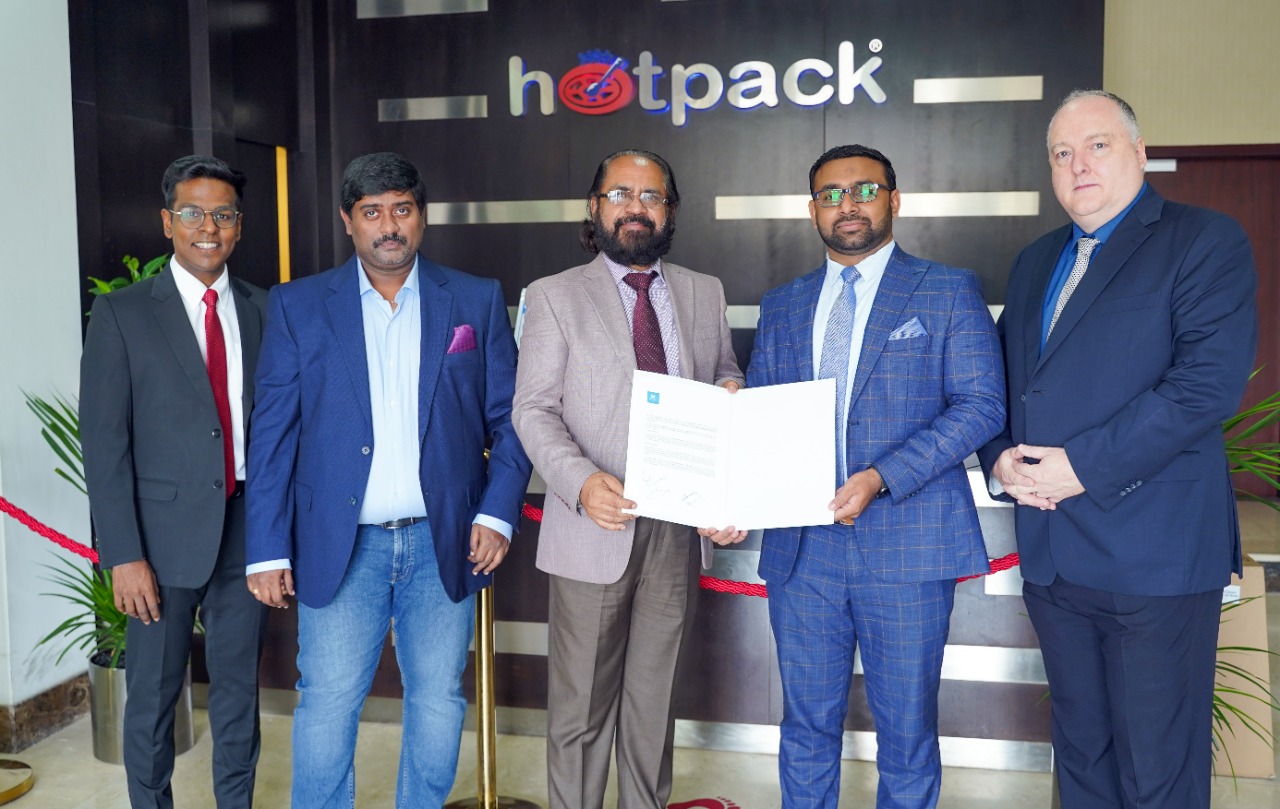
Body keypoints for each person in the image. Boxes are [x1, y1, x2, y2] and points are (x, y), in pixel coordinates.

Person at [977, 90, 1258, 809]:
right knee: (1082, 758)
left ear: (1138, 151)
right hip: (1053, 557)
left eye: (1097, 145)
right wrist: (1000, 458)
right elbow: (1006, 386)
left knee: (1156, 772)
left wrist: (1080, 466)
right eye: (1062, 153)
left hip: (1154, 558)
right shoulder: (1036, 260)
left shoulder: (1203, 240)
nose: (1079, 165)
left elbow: (1204, 386)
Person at [244, 152, 531, 808]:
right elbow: (272, 436)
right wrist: (266, 548)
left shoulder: (475, 299)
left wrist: (496, 513)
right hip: (340, 541)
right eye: (372, 212)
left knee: (438, 699)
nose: (389, 225)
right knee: (327, 702)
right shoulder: (298, 306)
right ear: (349, 221)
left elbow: (514, 419)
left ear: (421, 217)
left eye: (401, 209)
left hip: (444, 541)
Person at [745, 144, 1005, 808]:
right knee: (805, 728)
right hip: (803, 551)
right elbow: (760, 417)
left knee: (907, 734)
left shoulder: (947, 289)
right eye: (831, 194)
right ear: (812, 210)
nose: (848, 204)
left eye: (864, 189)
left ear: (894, 199)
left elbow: (982, 405)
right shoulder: (782, 304)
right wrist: (734, 490)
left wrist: (882, 475)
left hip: (908, 546)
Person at [512, 148, 744, 809]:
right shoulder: (554, 295)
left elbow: (725, 371)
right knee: (581, 714)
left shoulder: (704, 290)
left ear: (670, 210)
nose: (635, 207)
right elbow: (533, 409)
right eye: (620, 194)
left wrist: (731, 390)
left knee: (653, 709)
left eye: (651, 196)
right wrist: (583, 482)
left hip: (678, 528)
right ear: (595, 206)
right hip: (595, 525)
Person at [80, 155, 269, 809]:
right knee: (153, 699)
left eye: (223, 214)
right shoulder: (123, 314)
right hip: (156, 546)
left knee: (239, 698)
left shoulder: (263, 309)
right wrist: (123, 555)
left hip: (246, 532)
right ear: (168, 222)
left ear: (239, 225)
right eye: (193, 213)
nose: (208, 227)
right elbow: (104, 445)